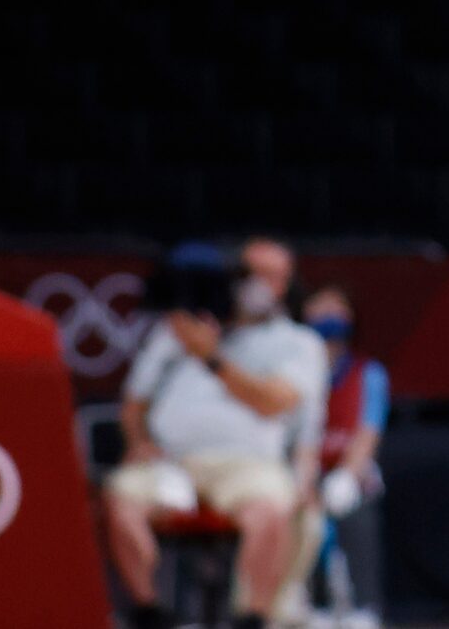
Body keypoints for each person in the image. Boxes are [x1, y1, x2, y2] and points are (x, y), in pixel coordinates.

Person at [104, 238, 331, 629]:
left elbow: (274, 402)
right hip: (172, 463)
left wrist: (211, 357)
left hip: (249, 465)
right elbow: (134, 403)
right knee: (120, 497)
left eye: (273, 277)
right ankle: (149, 612)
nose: (260, 284)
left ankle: (252, 617)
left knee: (271, 510)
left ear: (286, 285)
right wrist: (139, 441)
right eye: (251, 273)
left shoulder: (299, 343)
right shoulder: (179, 330)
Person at [301, 285, 392, 629]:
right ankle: (309, 602)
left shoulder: (368, 373)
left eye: (336, 309)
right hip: (302, 470)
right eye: (319, 307)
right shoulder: (291, 370)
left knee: (356, 500)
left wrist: (347, 476)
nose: (328, 317)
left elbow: (368, 431)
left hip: (346, 472)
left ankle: (364, 607)